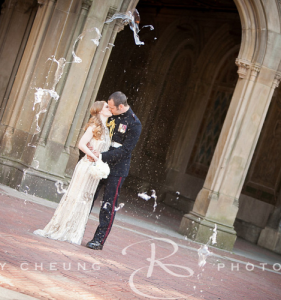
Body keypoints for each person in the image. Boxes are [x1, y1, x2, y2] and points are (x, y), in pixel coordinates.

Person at [33, 101, 112, 245]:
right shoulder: (94, 126)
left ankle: (74, 231)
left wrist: (100, 160)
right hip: (87, 167)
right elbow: (81, 144)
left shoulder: (106, 130)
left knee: (87, 199)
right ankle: (64, 228)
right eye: (107, 107)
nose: (110, 108)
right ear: (100, 111)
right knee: (78, 196)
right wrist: (95, 157)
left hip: (95, 170)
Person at [86, 91, 142, 250]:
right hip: (99, 162)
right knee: (88, 196)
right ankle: (76, 228)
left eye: (112, 108)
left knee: (107, 205)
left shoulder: (134, 124)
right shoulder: (111, 115)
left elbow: (125, 151)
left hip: (117, 169)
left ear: (121, 106)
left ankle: (99, 240)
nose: (109, 110)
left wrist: (101, 155)